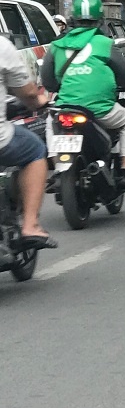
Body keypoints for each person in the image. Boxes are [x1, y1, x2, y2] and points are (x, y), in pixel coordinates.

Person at [43, 0, 125, 188]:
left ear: (72, 20)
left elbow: (48, 81)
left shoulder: (56, 45)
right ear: (101, 21)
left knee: (49, 122)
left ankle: (58, 170)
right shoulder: (105, 44)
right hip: (100, 110)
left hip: (66, 108)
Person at [0, 35, 53, 249]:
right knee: (35, 150)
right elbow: (29, 92)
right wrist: (38, 101)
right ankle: (30, 225)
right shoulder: (3, 46)